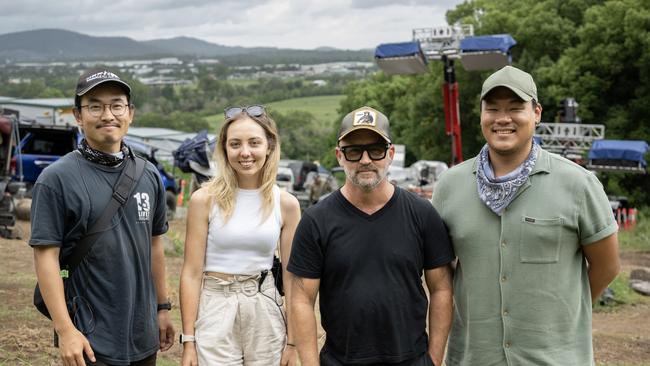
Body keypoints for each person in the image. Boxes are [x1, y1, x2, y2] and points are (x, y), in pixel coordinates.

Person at [431, 65, 621, 365]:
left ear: (537, 113)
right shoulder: (449, 187)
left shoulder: (579, 184)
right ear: (481, 115)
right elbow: (440, 275)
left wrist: (563, 314)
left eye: (515, 108)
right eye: (492, 108)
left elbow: (606, 265)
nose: (502, 118)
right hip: (474, 358)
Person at [289, 106, 455, 366]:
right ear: (339, 156)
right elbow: (301, 299)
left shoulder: (422, 214)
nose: (365, 159)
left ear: (390, 153)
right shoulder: (316, 221)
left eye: (375, 149)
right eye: (354, 151)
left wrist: (433, 360)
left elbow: (442, 289)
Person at [29, 69, 175, 365]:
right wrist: (66, 330)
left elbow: (155, 247)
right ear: (78, 116)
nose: (107, 114)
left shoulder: (148, 175)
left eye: (116, 105)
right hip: (90, 338)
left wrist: (162, 308)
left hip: (143, 335)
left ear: (130, 113)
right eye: (95, 106)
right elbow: (46, 258)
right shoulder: (56, 179)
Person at [179, 105, 301, 366]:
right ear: (224, 149)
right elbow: (191, 272)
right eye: (235, 144)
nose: (245, 152)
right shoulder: (204, 200)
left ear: (269, 146)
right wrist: (188, 340)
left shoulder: (286, 204)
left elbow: (292, 278)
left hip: (265, 306)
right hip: (216, 306)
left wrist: (292, 341)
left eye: (254, 143)